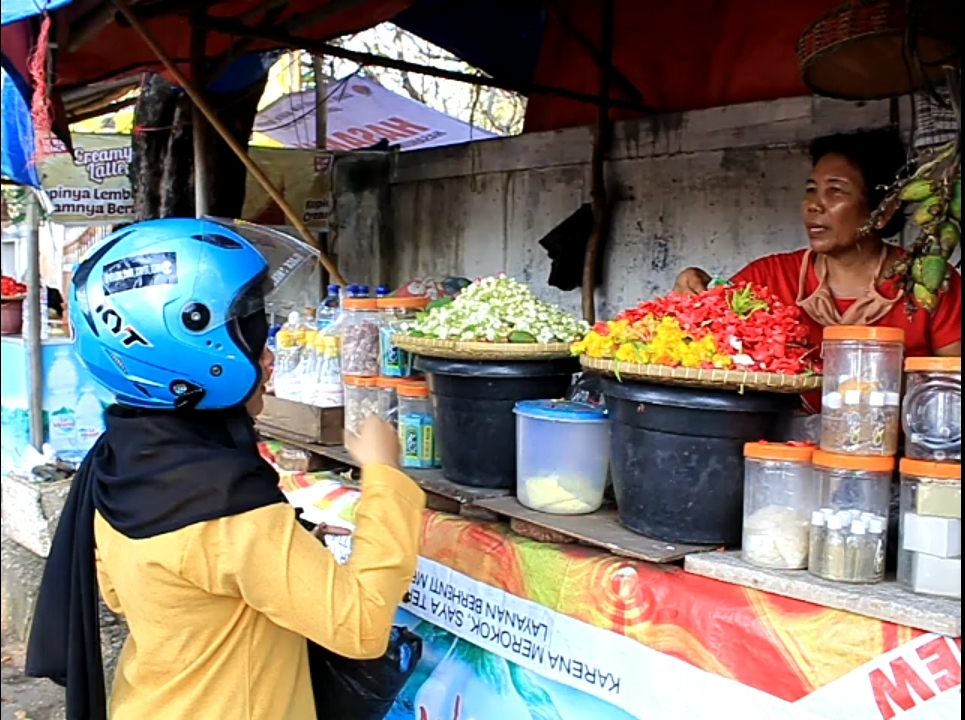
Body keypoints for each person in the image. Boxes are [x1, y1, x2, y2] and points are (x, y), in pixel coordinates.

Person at [25, 218, 426, 719]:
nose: (271, 356)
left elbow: (123, 592)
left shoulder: (121, 457)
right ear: (204, 359)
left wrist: (280, 554)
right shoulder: (227, 504)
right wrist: (385, 475)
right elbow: (361, 626)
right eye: (255, 337)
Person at [674, 128, 961, 409]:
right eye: (811, 190)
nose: (813, 205)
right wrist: (696, 291)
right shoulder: (767, 279)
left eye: (835, 191)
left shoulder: (930, 282)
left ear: (884, 211)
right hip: (780, 448)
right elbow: (703, 341)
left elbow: (953, 397)